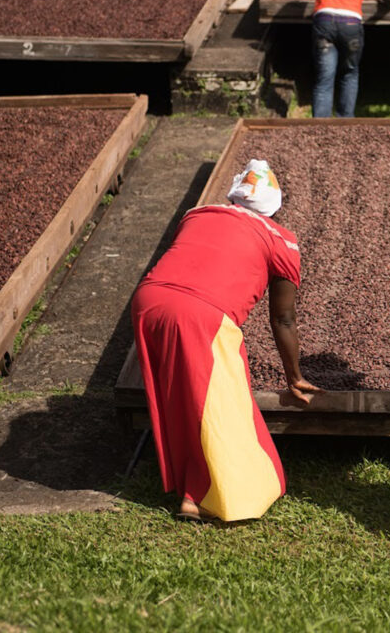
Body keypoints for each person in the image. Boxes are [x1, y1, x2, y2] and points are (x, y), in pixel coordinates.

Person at [131, 159, 322, 523]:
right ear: (276, 206)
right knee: (221, 408)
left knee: (182, 397)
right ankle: (199, 497)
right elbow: (283, 318)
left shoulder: (197, 213)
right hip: (203, 313)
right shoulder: (283, 241)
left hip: (149, 301)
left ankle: (187, 482)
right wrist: (294, 375)